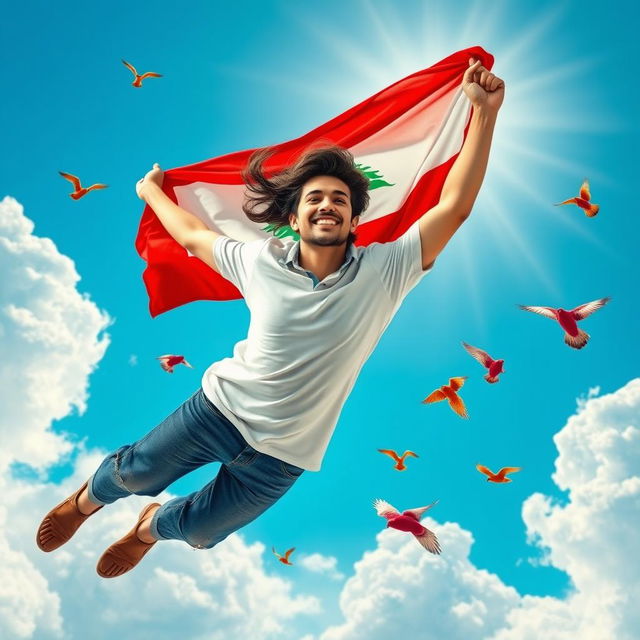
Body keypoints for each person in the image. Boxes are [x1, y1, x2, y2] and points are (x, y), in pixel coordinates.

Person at [36, 58, 504, 578]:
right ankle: (83, 504)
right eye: (316, 198)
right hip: (218, 411)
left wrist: (483, 116)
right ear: (295, 216)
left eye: (340, 200)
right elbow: (192, 238)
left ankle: (149, 528)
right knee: (135, 473)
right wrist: (150, 193)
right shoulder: (258, 261)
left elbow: (454, 207)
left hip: (287, 453)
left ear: (354, 218)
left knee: (199, 532)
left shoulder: (387, 269)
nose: (328, 205)